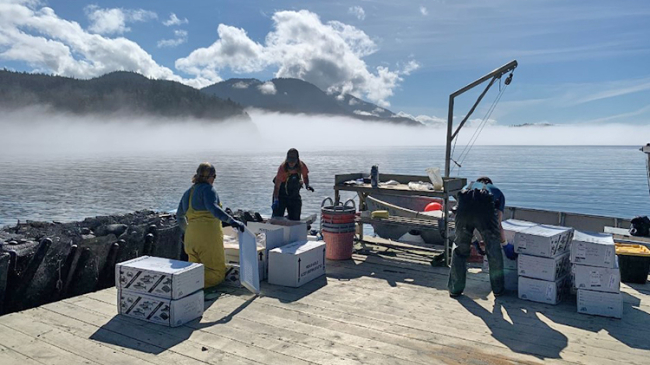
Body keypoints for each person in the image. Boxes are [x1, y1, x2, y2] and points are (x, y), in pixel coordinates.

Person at [176, 162, 245, 288]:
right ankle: (185, 285)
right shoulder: (208, 189)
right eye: (214, 176)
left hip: (191, 238)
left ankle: (187, 289)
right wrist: (232, 221)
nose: (214, 179)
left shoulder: (188, 192)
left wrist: (188, 231)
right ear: (210, 177)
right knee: (216, 273)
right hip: (208, 238)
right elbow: (213, 209)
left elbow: (179, 216)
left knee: (194, 269)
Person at [448, 176, 516, 298]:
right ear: (489, 183)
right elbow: (498, 225)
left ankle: (455, 289)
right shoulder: (497, 192)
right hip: (485, 214)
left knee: (459, 250)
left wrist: (473, 241)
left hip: (463, 214)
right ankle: (498, 289)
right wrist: (505, 245)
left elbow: (459, 216)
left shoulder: (466, 188)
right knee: (493, 250)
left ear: (478, 182)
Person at [272, 148, 314, 220]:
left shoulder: (302, 166)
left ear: (297, 160)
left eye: (293, 161)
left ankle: (289, 219)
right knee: (277, 217)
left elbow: (305, 176)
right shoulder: (282, 169)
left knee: (295, 217)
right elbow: (276, 187)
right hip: (281, 195)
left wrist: (307, 185)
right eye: (289, 161)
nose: (291, 163)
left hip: (294, 195)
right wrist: (276, 200)